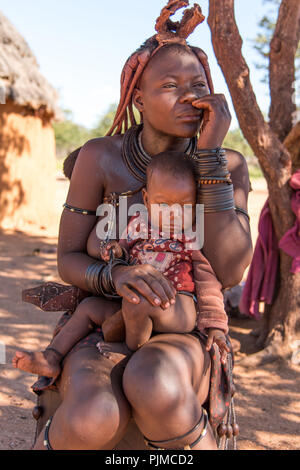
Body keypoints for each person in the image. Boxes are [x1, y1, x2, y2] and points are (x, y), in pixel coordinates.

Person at [22, 1, 253, 450]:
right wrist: (118, 275)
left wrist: (208, 157)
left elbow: (230, 271)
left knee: (157, 384)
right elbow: (68, 260)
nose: (190, 96)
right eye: (170, 85)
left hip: (183, 326)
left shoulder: (228, 163)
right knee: (93, 413)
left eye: (199, 85)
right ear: (139, 98)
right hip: (104, 319)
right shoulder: (100, 158)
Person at [13, 152, 230, 380]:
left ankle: (130, 350)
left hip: (175, 307)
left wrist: (215, 325)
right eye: (162, 204)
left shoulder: (191, 238)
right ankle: (52, 357)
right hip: (129, 305)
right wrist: (114, 253)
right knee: (88, 308)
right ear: (146, 200)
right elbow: (123, 252)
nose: (172, 214)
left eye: (184, 205)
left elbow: (207, 282)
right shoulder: (138, 226)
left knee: (138, 302)